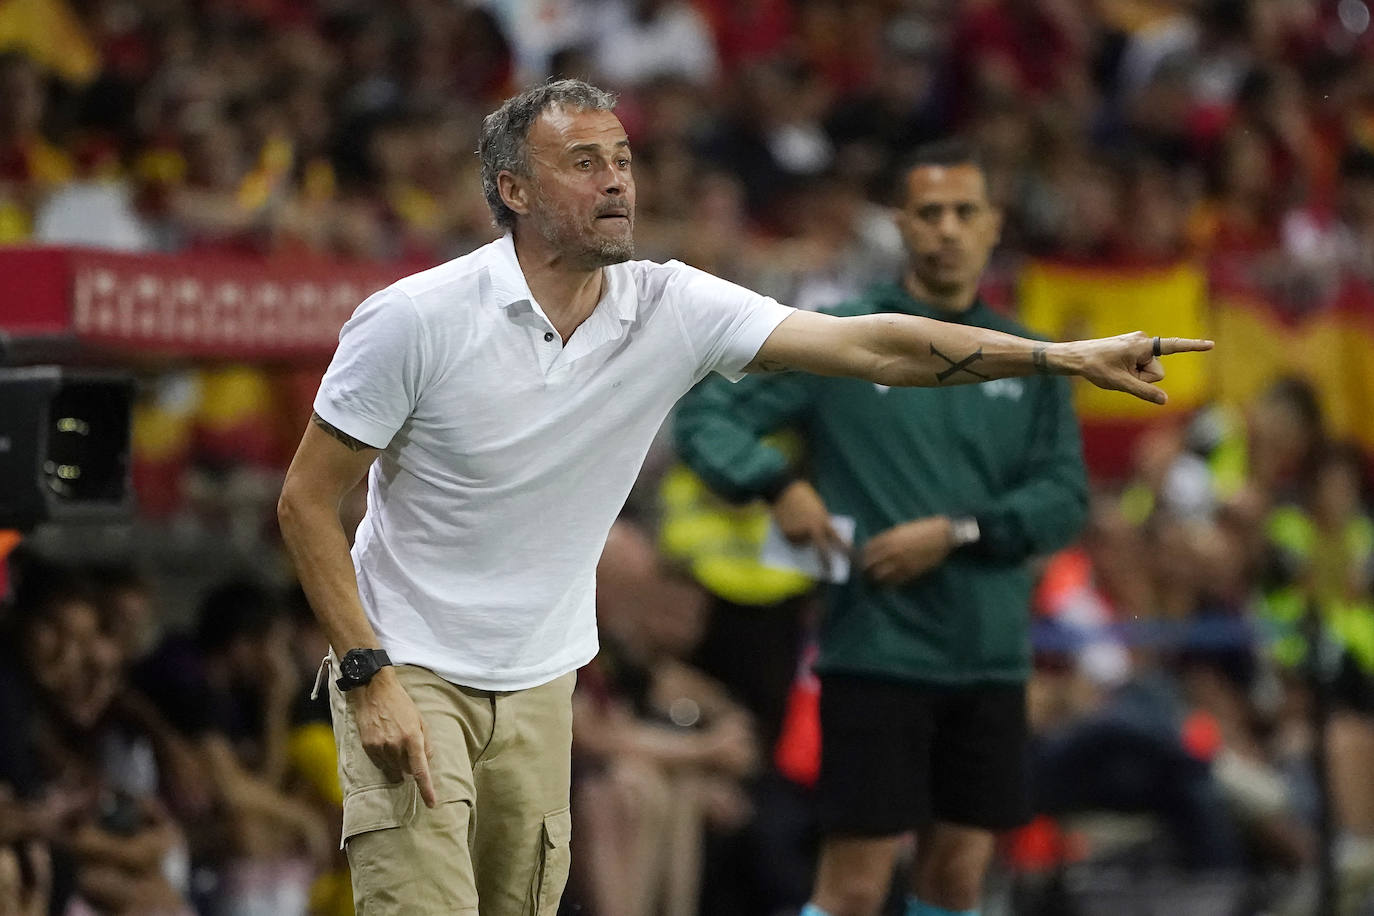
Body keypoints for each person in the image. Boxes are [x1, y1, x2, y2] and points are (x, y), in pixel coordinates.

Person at [275, 79, 1212, 915]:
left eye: (624, 160)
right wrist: (367, 673)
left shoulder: (668, 306)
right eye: (584, 163)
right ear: (513, 191)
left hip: (542, 681)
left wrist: (1058, 357)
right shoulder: (414, 320)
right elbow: (305, 504)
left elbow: (871, 346)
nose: (617, 183)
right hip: (411, 667)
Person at [674, 139, 1091, 916]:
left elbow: (1065, 497)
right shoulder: (847, 337)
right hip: (875, 651)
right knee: (855, 887)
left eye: (965, 212)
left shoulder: (1028, 359)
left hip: (988, 656)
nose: (947, 229)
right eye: (929, 213)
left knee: (958, 878)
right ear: (900, 224)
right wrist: (776, 483)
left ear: (993, 225)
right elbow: (706, 412)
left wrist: (960, 530)